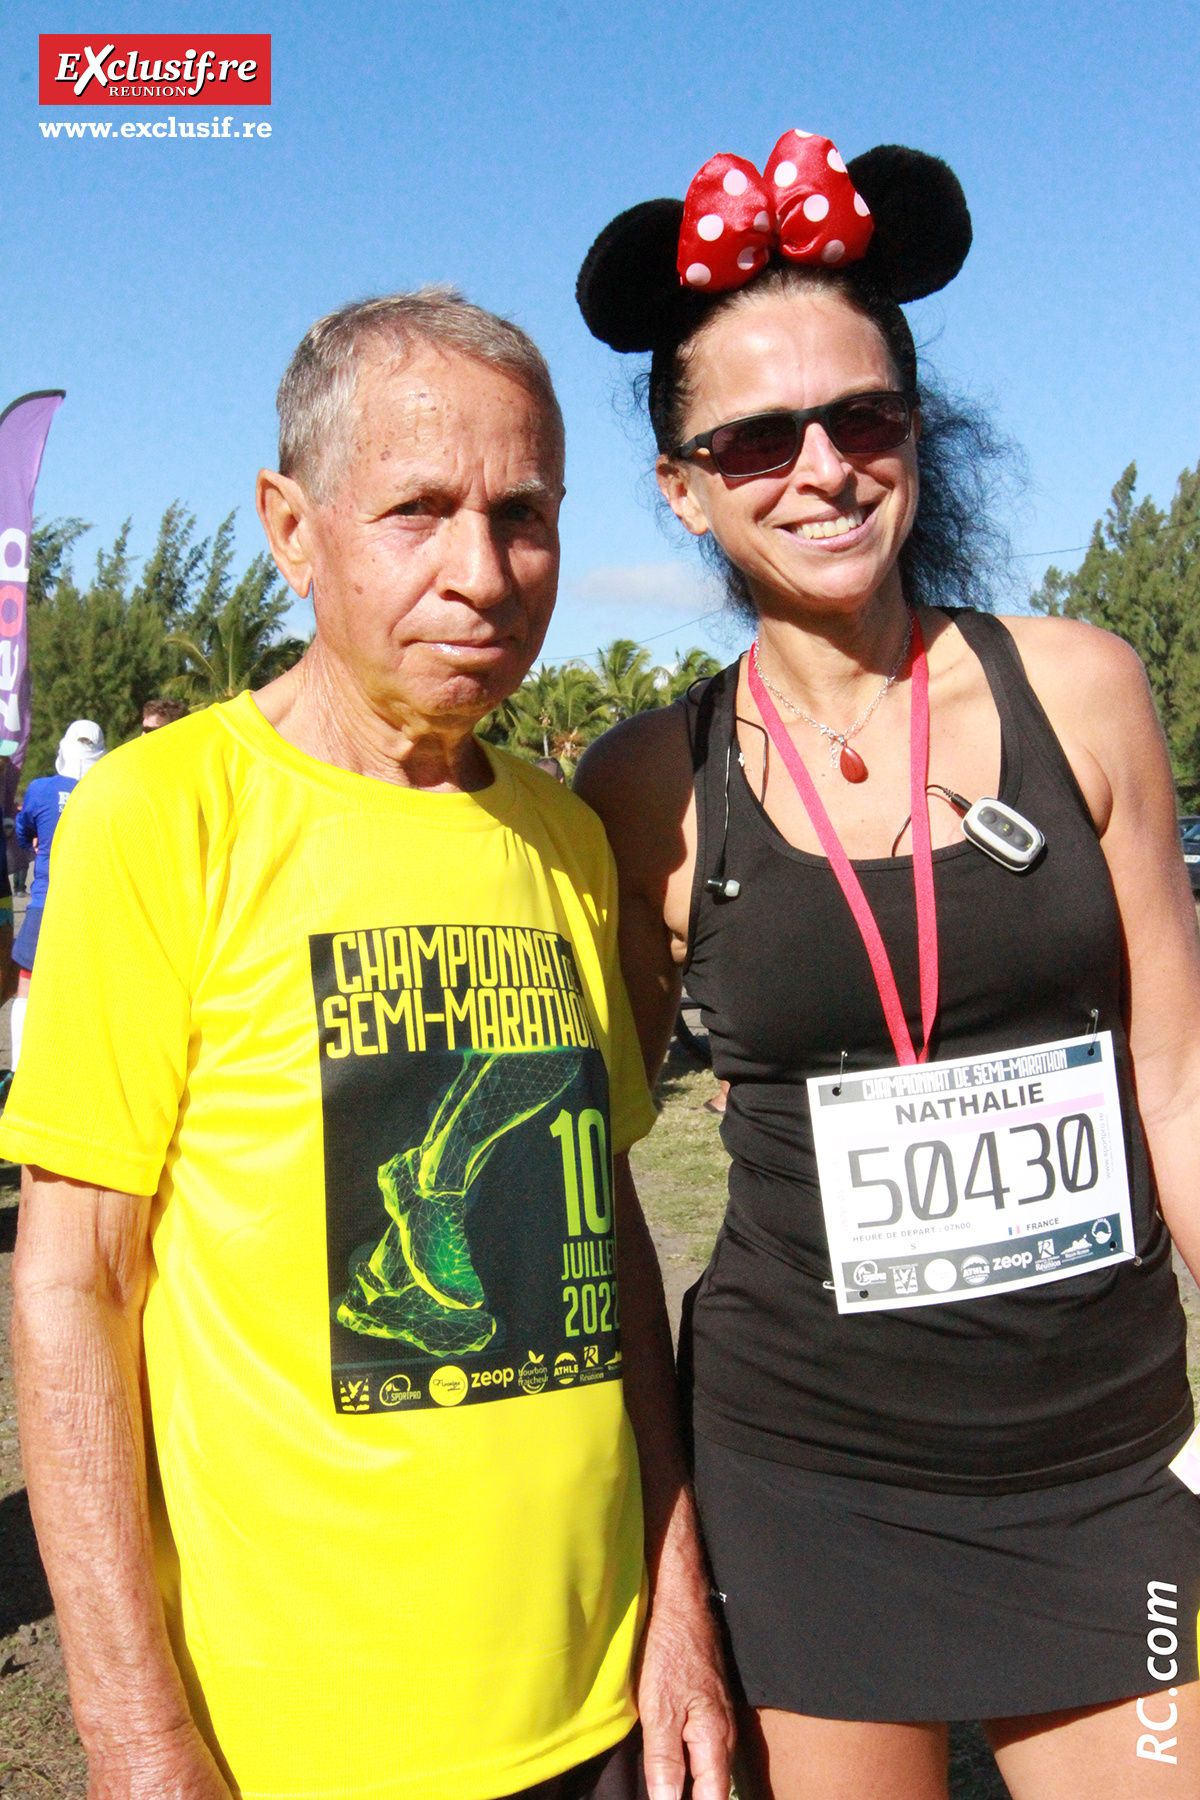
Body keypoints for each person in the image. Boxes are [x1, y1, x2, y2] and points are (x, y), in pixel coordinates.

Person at [3, 291, 731, 1800]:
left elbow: (610, 1245)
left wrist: (673, 1613)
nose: (484, 573)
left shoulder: (564, 837)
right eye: (418, 511)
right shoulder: (166, 816)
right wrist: (137, 1736)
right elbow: (71, 1280)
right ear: (291, 526)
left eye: (525, 516)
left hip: (600, 1718)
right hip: (293, 1747)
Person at [573, 133, 1200, 1797]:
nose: (823, 467)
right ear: (682, 488)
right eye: (756, 437)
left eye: (865, 417)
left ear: (919, 432)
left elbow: (1181, 1082)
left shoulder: (1084, 692)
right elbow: (591, 1164)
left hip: (1110, 1469)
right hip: (810, 1482)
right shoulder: (645, 783)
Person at [10, 719, 105, 1068]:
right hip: (93, 904)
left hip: (45, 898)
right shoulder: (109, 786)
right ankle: (75, 1068)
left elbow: (23, 834)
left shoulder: (40, 788)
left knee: (28, 982)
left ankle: (20, 1070)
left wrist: (38, 846)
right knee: (85, 988)